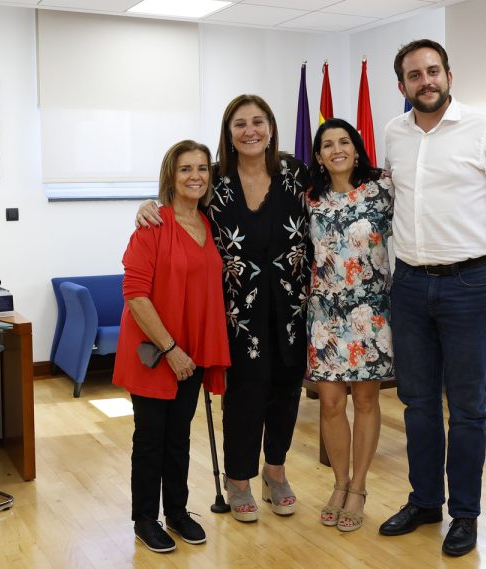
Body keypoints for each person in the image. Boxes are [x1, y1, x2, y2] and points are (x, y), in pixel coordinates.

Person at [377, 39, 486, 557]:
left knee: (468, 408)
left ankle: (464, 515)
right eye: (414, 74)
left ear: (449, 74)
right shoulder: (394, 134)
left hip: (470, 285)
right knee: (417, 403)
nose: (425, 81)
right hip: (408, 285)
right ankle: (426, 501)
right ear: (401, 85)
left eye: (433, 71)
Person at [136, 95, 310, 523]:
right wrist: (147, 207)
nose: (249, 131)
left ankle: (276, 472)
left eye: (258, 121)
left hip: (290, 308)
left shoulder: (295, 173)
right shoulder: (215, 181)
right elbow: (179, 206)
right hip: (234, 312)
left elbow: (345, 182)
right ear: (227, 134)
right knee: (245, 396)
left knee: (286, 392)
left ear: (270, 127)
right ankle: (238, 480)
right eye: (239, 124)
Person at [113, 140, 231, 553]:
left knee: (179, 436)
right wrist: (170, 348)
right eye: (185, 169)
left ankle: (177, 512)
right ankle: (145, 518)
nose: (195, 175)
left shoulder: (211, 224)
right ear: (171, 176)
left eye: (202, 168)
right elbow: (135, 294)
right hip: (155, 351)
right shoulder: (151, 226)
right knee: (150, 438)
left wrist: (190, 351)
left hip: (194, 350)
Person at [306, 118, 393, 532]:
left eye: (344, 142)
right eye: (327, 144)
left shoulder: (381, 192)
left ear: (357, 150)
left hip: (371, 314)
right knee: (331, 403)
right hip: (325, 317)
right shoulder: (308, 199)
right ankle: (338, 483)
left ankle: (358, 487)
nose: (336, 148)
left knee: (365, 403)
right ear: (319, 157)